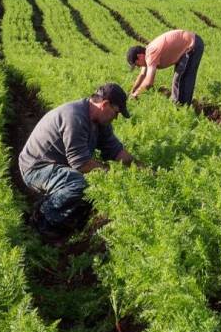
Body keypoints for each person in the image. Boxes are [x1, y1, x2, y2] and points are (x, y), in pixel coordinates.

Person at [19, 83, 135, 238]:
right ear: (105, 104)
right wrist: (110, 172)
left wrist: (140, 168)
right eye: (116, 112)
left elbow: (117, 151)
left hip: (57, 166)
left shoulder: (100, 122)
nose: (116, 117)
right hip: (36, 169)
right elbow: (81, 164)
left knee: (89, 183)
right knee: (79, 182)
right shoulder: (75, 117)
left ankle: (69, 220)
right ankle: (42, 217)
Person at [126, 29, 205, 105]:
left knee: (182, 79)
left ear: (139, 56)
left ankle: (181, 108)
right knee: (178, 79)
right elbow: (142, 75)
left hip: (193, 45)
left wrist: (136, 95)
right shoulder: (147, 52)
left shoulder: (151, 53)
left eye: (137, 64)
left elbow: (149, 82)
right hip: (188, 45)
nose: (139, 66)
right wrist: (132, 91)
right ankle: (178, 106)